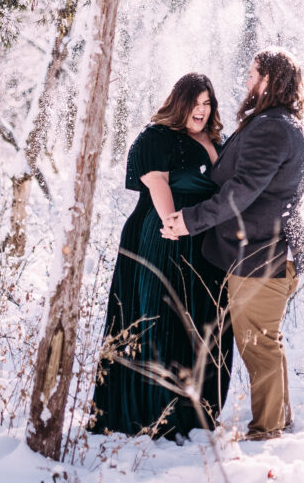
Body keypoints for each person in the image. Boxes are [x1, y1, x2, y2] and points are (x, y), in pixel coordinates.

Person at [163, 48, 304, 442]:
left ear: (270, 81)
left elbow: (243, 190)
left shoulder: (272, 128)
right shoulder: (285, 124)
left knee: (258, 346)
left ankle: (268, 430)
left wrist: (190, 221)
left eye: (253, 75)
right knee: (266, 343)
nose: (247, 81)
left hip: (263, 257)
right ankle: (279, 420)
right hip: (271, 253)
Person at [89, 73, 233, 442]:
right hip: (160, 237)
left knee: (206, 320)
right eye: (195, 103)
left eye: (207, 103)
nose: (201, 111)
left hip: (204, 240)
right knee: (164, 318)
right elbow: (158, 185)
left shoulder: (219, 139)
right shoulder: (156, 138)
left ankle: (196, 414)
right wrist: (174, 224)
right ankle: (156, 416)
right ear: (179, 102)